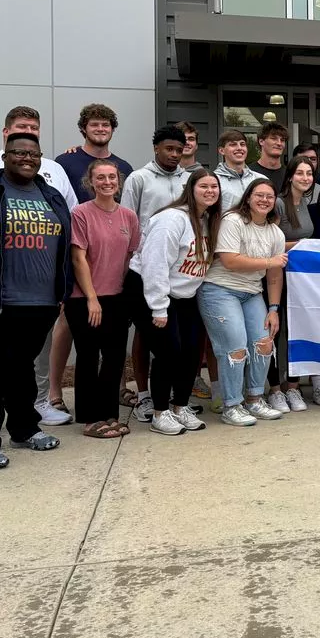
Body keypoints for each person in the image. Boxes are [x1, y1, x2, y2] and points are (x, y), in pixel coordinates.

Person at [0, 133, 73, 469]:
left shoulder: (51, 195)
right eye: (19, 152)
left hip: (42, 301)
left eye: (33, 153)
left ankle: (24, 428)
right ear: (4, 156)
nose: (27, 158)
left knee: (22, 367)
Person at [128, 169, 220, 434]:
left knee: (192, 351)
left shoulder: (206, 221)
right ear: (190, 189)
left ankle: (180, 406)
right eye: (204, 186)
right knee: (169, 351)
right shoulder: (171, 219)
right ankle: (160, 412)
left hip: (184, 294)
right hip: (150, 289)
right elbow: (154, 265)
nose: (210, 191)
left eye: (214, 187)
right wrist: (158, 307)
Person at [196, 177, 287, 428]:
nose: (264, 200)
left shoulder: (275, 233)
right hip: (220, 290)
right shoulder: (232, 221)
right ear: (248, 197)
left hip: (252, 293)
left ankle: (255, 399)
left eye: (270, 196)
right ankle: (231, 405)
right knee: (234, 347)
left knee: (264, 342)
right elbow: (230, 261)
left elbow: (274, 277)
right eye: (259, 195)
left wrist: (274, 309)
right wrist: (271, 261)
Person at [121, 125, 192, 419]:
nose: (174, 154)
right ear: (156, 148)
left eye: (179, 149)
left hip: (179, 272)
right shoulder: (139, 178)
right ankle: (145, 395)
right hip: (148, 266)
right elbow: (127, 222)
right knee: (146, 336)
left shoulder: (190, 180)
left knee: (175, 342)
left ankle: (175, 395)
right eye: (169, 149)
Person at [66, 160, 140, 439]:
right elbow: (78, 257)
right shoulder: (81, 213)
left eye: (112, 177)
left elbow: (130, 256)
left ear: (118, 181)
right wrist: (92, 298)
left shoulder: (128, 217)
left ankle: (110, 413)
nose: (107, 182)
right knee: (87, 356)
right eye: (101, 178)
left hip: (117, 298)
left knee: (114, 357)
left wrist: (125, 295)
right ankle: (89, 417)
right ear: (91, 182)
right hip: (85, 299)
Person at [267, 155, 319, 414]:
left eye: (309, 174)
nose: (305, 178)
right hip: (277, 278)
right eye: (300, 173)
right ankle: (275, 389)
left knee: (295, 332)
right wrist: (301, 246)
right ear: (290, 176)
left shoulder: (307, 204)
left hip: (300, 281)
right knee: (275, 334)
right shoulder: (277, 204)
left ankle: (293, 386)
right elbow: (270, 242)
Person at [0, 106, 79, 208]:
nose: (29, 132)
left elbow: (71, 210)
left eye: (34, 128)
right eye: (22, 126)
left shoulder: (55, 168)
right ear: (6, 131)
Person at [56, 104, 134, 207]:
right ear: (84, 128)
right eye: (94, 125)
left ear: (112, 129)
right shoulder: (64, 162)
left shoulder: (125, 168)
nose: (100, 129)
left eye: (105, 125)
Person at [214, 129, 266, 211]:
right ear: (221, 150)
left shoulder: (260, 179)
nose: (239, 148)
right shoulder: (214, 180)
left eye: (242, 144)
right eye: (233, 144)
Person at [249, 122, 289, 191]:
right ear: (261, 141)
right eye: (274, 139)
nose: (279, 143)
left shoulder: (289, 174)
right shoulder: (249, 173)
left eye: (282, 140)